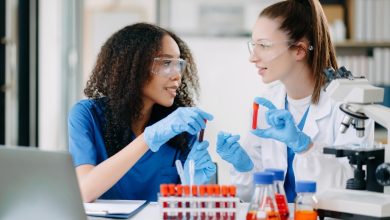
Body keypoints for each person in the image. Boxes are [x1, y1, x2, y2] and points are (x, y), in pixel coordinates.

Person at [216, 0, 374, 202]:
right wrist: (243, 166)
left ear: (299, 50)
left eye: (264, 45)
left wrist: (305, 147)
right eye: (253, 45)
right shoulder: (266, 103)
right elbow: (250, 197)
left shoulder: (349, 105)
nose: (253, 57)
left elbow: (353, 187)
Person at [68, 23, 216, 202]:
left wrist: (196, 186)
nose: (177, 75)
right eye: (167, 63)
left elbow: (190, 208)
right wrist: (147, 138)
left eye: (179, 64)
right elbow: (84, 191)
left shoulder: (180, 127)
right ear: (133, 67)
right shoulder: (87, 115)